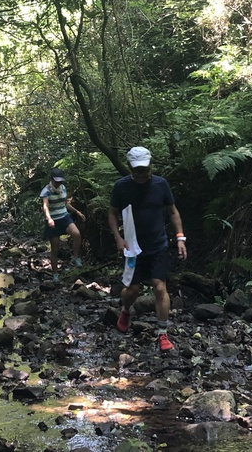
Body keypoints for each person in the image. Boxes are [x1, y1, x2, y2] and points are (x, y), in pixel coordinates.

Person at [107, 146, 187, 352]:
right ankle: (125, 310)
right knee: (132, 289)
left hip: (158, 245)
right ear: (130, 168)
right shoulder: (121, 187)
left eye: (144, 169)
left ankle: (162, 333)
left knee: (160, 287)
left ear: (151, 165)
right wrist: (118, 238)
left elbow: (173, 211)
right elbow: (112, 213)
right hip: (133, 247)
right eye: (137, 170)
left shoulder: (161, 185)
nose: (141, 173)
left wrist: (180, 237)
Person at [40, 168, 86, 282]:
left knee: (76, 234)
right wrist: (49, 218)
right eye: (57, 181)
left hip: (64, 217)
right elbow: (45, 206)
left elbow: (65, 203)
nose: (58, 183)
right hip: (53, 220)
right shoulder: (46, 191)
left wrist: (77, 212)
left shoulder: (63, 188)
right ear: (52, 179)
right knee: (55, 249)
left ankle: (75, 257)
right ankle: (55, 274)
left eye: (60, 181)